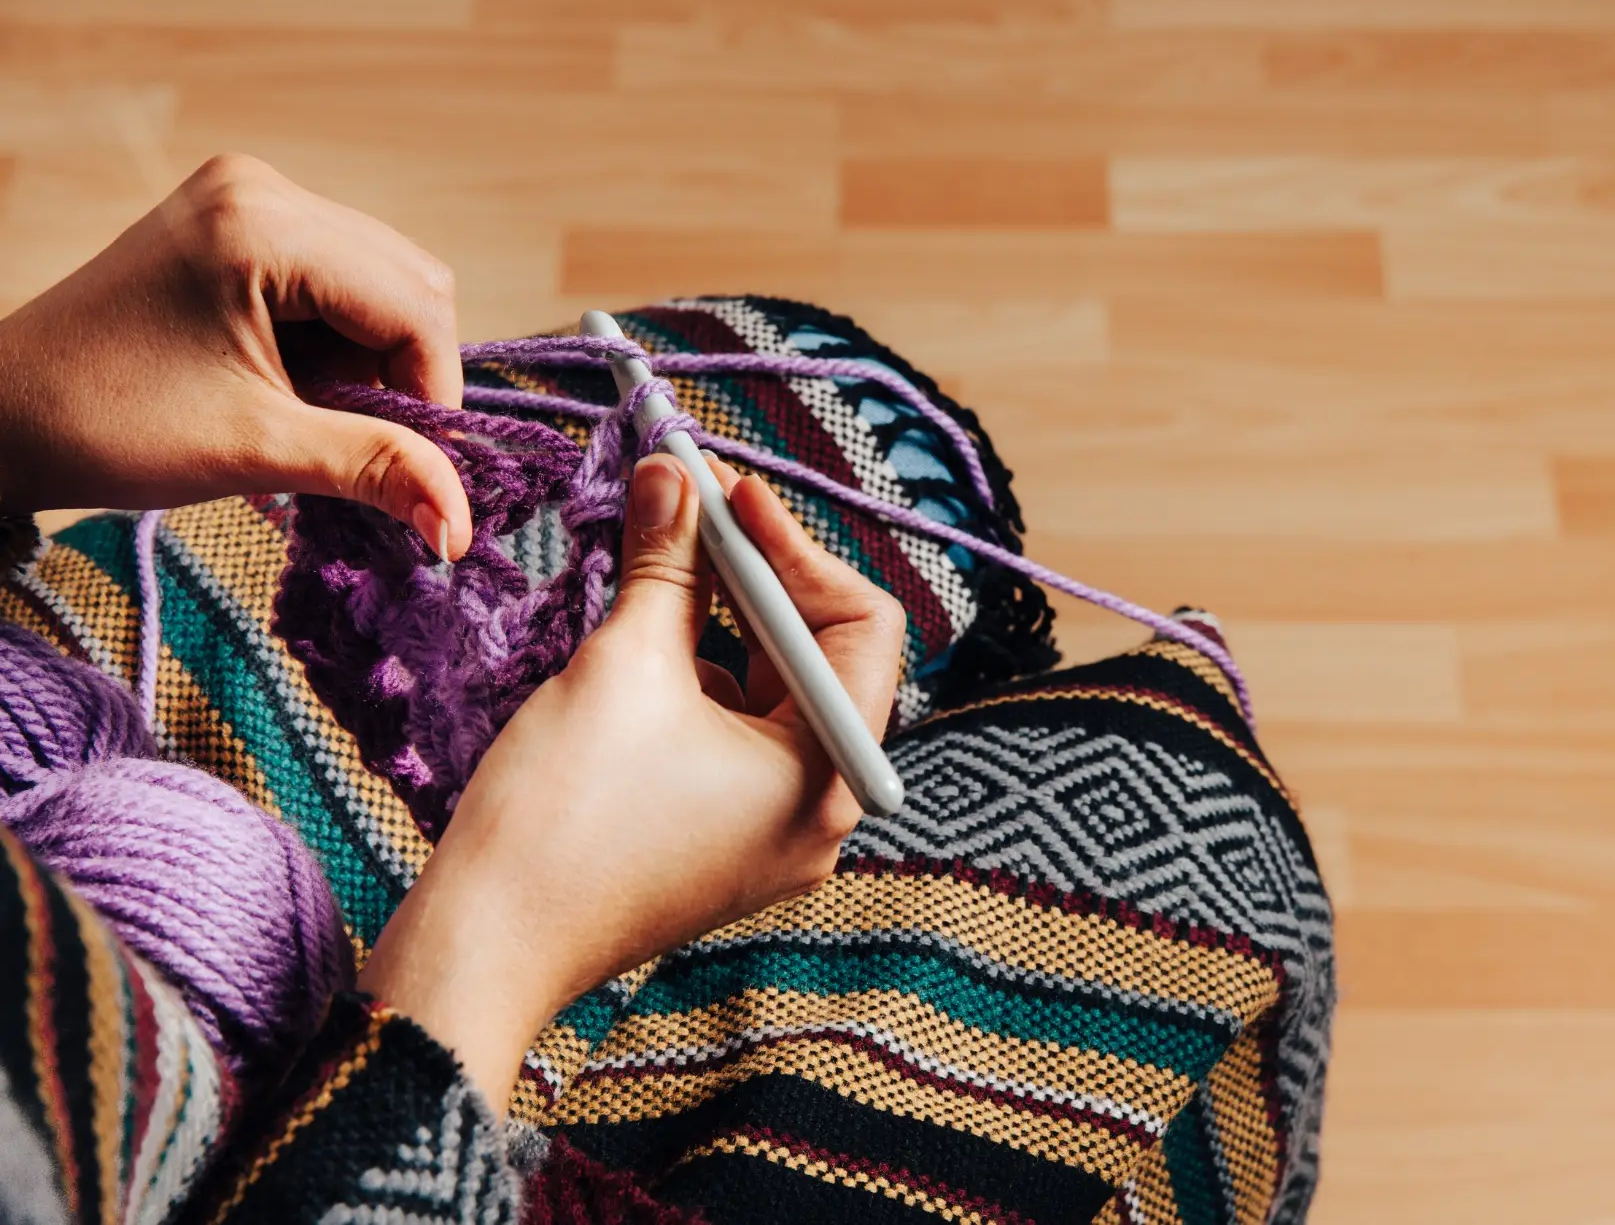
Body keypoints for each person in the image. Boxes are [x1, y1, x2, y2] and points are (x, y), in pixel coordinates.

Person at [0, 157, 1333, 1224]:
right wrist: (495, 943)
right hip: (309, 1113)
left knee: (864, 443)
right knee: (1202, 850)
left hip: (65, 844)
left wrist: (11, 409)